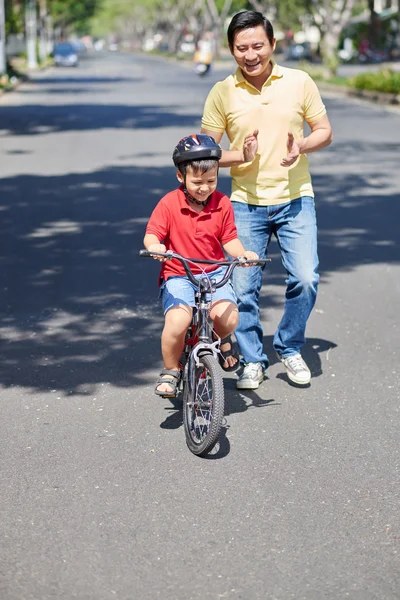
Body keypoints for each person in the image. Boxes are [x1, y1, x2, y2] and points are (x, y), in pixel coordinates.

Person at [200, 10, 333, 389]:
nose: (251, 53)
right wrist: (239, 156)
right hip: (244, 203)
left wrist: (303, 145)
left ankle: (289, 347)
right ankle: (253, 359)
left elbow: (324, 131)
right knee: (243, 289)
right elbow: (206, 152)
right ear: (231, 50)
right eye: (242, 47)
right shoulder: (223, 91)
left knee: (306, 278)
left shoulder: (298, 81)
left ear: (273, 45)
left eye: (258, 45)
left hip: (295, 199)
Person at [143, 134, 259, 397]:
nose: (205, 187)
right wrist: (155, 247)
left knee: (229, 319)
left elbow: (229, 238)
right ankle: (171, 370)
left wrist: (242, 254)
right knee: (178, 321)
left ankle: (223, 338)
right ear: (180, 177)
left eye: (211, 181)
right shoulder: (169, 203)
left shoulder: (223, 203)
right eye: (197, 182)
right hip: (179, 273)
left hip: (214, 271)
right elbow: (152, 234)